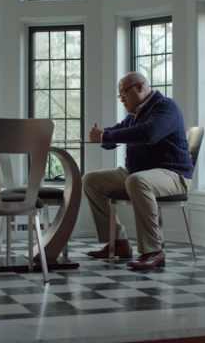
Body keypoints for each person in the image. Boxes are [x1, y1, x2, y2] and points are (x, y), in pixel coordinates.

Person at [82, 72, 193, 269]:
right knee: (90, 180)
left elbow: (149, 133)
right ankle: (118, 242)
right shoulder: (134, 116)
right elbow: (116, 136)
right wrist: (102, 137)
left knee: (136, 181)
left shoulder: (166, 106)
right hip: (138, 173)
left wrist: (105, 136)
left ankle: (154, 250)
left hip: (174, 175)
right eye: (120, 95)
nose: (122, 99)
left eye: (124, 93)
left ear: (140, 87)